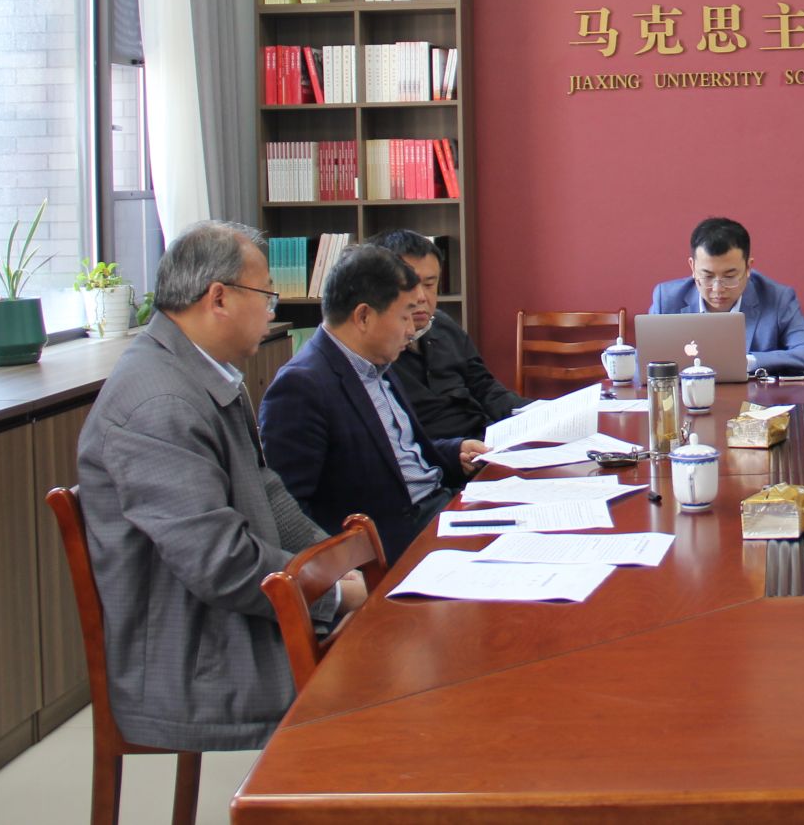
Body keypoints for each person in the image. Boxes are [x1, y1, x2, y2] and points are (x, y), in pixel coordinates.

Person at [76, 220, 365, 751]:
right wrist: (333, 595)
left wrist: (338, 562)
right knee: (391, 680)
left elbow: (269, 494)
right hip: (200, 654)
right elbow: (220, 563)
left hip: (229, 621)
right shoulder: (160, 402)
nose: (272, 311)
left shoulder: (197, 372)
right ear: (219, 298)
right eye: (266, 296)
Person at [261, 245, 458, 558]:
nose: (411, 330)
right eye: (404, 316)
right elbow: (289, 512)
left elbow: (396, 457)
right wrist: (342, 571)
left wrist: (456, 451)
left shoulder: (377, 363)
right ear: (364, 316)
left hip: (440, 506)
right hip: (395, 543)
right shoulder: (301, 386)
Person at [369, 229, 530, 478]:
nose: (422, 297)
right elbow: (397, 447)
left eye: (430, 284)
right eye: (410, 285)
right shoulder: (376, 354)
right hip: (445, 464)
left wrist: (539, 413)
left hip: (489, 446)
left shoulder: (443, 324)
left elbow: (486, 388)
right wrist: (455, 452)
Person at [647, 216, 804, 374]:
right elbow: (644, 363)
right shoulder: (667, 299)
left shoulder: (777, 298)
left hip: (753, 400)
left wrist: (749, 361)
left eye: (730, 276)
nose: (718, 289)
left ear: (748, 267)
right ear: (693, 267)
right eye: (708, 276)